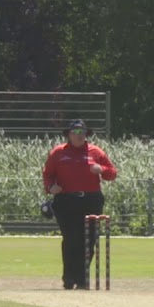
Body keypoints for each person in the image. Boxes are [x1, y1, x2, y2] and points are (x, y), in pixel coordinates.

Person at [42, 118, 118, 289]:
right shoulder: (58, 152)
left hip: (91, 199)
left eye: (82, 133)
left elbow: (112, 173)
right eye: (75, 133)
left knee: (89, 240)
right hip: (66, 200)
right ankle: (68, 277)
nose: (79, 136)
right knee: (71, 239)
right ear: (69, 135)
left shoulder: (95, 151)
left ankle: (82, 278)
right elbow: (48, 175)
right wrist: (50, 187)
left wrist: (102, 170)